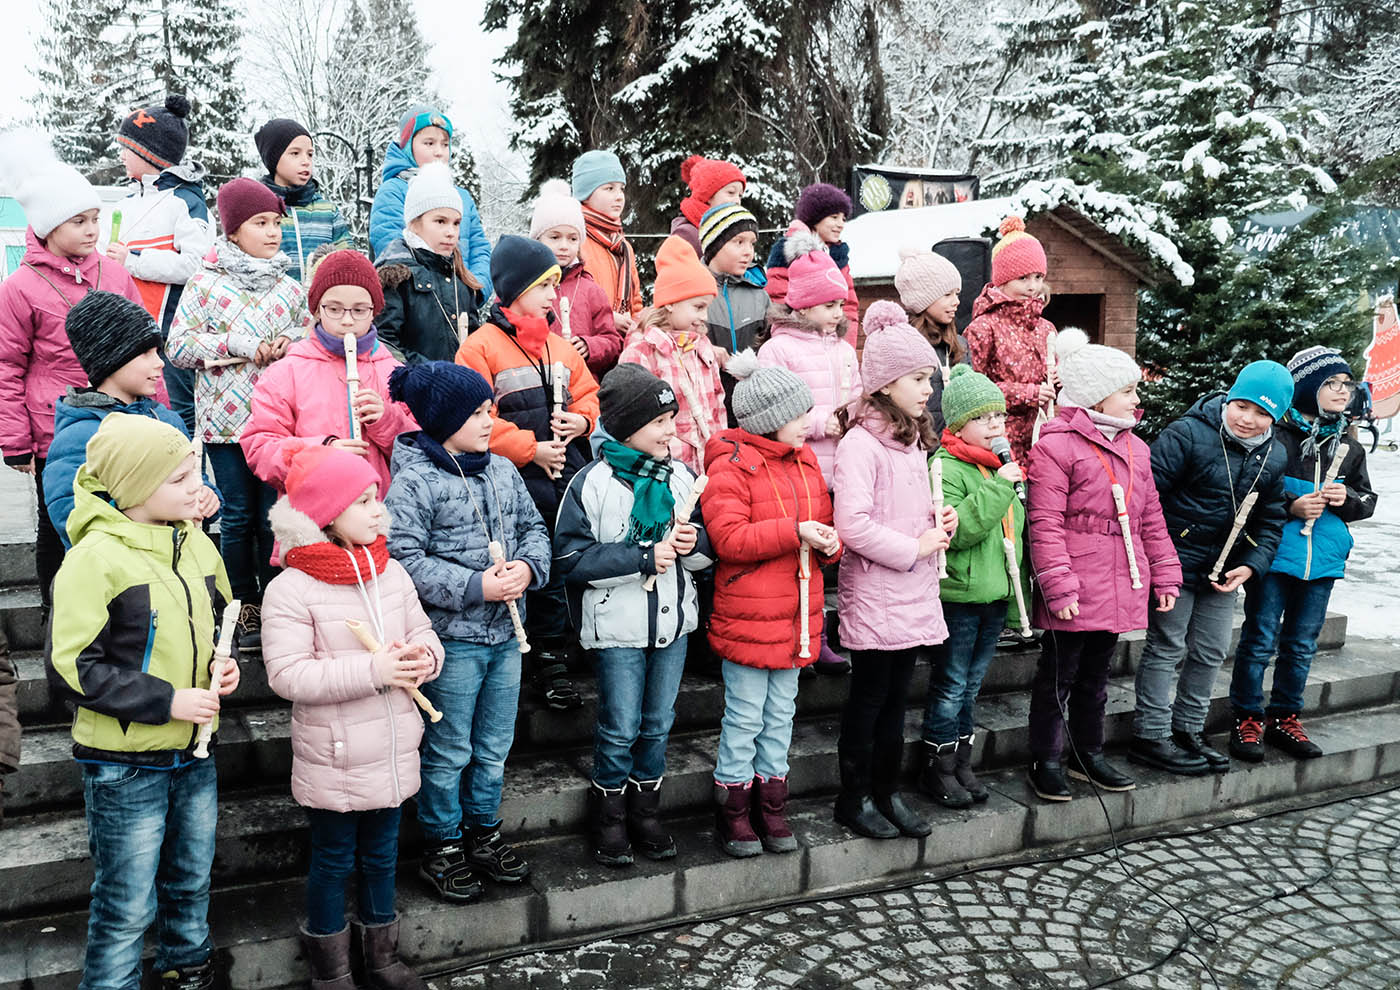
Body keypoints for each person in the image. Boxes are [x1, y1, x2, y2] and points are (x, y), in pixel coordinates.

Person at [47, 415, 238, 990]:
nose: (196, 488)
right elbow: (72, 667)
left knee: (191, 879)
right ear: (135, 488)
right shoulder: (94, 557)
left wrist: (223, 668)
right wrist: (167, 700)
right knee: (127, 901)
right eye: (180, 479)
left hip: (194, 753)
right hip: (125, 763)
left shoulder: (198, 545)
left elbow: (217, 620)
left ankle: (188, 966)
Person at [261, 442, 442, 990]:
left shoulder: (392, 573)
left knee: (384, 855)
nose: (378, 511)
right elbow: (288, 675)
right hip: (336, 758)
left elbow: (425, 635)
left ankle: (382, 958)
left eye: (376, 498)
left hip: (391, 751)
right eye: (363, 501)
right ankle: (330, 969)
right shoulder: (291, 589)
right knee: (334, 860)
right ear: (327, 514)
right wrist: (374, 671)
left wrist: (423, 659)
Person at [384, 361, 552, 902]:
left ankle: (483, 831)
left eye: (489, 409)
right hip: (453, 637)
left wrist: (528, 569)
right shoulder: (414, 479)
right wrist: (476, 586)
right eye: (477, 413)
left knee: (495, 743)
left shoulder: (502, 469)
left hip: (506, 637)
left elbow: (534, 529)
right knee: (449, 745)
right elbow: (403, 558)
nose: (489, 420)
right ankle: (442, 844)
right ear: (443, 418)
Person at [555, 364, 713, 867]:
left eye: (673, 418)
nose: (673, 430)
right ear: (628, 427)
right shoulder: (591, 483)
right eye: (661, 421)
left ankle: (647, 811)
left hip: (672, 626)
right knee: (620, 725)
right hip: (616, 629)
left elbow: (705, 556)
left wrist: (692, 546)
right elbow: (570, 560)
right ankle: (610, 817)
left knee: (658, 722)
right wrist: (641, 556)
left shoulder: (682, 476)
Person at [1025, 329, 1181, 802]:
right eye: (1128, 390)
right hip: (1076, 580)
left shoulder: (1138, 448)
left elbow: (1151, 516)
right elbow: (1045, 524)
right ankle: (1045, 758)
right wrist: (1058, 586)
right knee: (1060, 674)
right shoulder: (1058, 445)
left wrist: (1166, 571)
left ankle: (1086, 752)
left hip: (1119, 578)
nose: (1137, 399)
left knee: (1097, 676)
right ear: (1097, 395)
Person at [167, 178, 312, 650]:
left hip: (277, 425)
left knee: (274, 512)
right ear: (232, 231)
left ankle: (277, 598)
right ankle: (241, 603)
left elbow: (310, 338)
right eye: (260, 223)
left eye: (275, 222)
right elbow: (179, 346)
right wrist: (242, 347)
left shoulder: (291, 287)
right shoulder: (206, 284)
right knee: (237, 513)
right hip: (226, 423)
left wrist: (290, 344)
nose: (272, 232)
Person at [456, 235, 600, 710]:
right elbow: (473, 417)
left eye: (555, 285)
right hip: (513, 480)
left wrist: (582, 421)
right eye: (543, 285)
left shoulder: (560, 346)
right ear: (513, 289)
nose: (551, 296)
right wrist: (530, 449)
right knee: (530, 564)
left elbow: (589, 394)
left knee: (563, 561)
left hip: (566, 477)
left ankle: (555, 651)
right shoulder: (481, 347)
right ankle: (534, 652)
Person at [0, 132, 143, 607]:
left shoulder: (116, 275)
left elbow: (144, 347)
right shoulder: (20, 287)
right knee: (56, 524)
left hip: (120, 421)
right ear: (47, 225)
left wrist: (156, 414)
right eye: (78, 220)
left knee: (122, 513)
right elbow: (7, 366)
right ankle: (57, 611)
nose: (91, 230)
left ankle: (117, 609)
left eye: (95, 219)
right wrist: (16, 441)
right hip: (54, 428)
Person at [1131, 360, 1293, 775]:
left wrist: (1251, 565)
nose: (1248, 419)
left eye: (1262, 414)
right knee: (1166, 647)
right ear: (1229, 398)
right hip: (1175, 562)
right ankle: (1150, 734)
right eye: (1242, 406)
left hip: (1224, 570)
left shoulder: (1274, 454)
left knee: (1210, 651)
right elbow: (1148, 498)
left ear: (1276, 418)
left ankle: (1188, 729)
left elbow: (1270, 519)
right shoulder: (1187, 434)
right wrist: (1159, 559)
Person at [703, 366, 839, 857]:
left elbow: (821, 524)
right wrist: (794, 531)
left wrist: (828, 542)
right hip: (749, 617)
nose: (809, 421)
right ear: (770, 419)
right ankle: (733, 809)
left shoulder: (806, 464)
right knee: (743, 717)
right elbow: (729, 539)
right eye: (799, 414)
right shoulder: (732, 465)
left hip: (797, 616)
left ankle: (772, 805)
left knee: (781, 715)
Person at [832, 300, 955, 840]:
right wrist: (915, 544)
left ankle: (887, 793)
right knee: (870, 705)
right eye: (917, 378)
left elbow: (903, 510)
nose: (928, 387)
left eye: (928, 376)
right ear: (884, 384)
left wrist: (937, 517)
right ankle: (853, 798)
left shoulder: (909, 442)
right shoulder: (860, 444)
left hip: (911, 593)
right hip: (880, 594)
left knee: (897, 702)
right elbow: (853, 526)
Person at [1231, 348, 1378, 761]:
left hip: (1323, 562)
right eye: (1332, 383)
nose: (1342, 392)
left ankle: (1285, 718)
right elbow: (1252, 490)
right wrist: (1292, 504)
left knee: (1300, 645)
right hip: (1275, 556)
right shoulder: (1276, 436)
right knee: (1259, 641)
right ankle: (1246, 718)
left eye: (1347, 385)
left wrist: (1345, 497)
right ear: (1310, 386)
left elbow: (1367, 499)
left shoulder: (1348, 445)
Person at [752, 234, 859, 674]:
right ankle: (805, 635)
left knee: (835, 557)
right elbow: (770, 404)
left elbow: (856, 396)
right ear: (806, 305)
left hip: (845, 466)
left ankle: (824, 632)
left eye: (840, 305)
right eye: (831, 305)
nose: (840, 313)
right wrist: (819, 422)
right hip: (800, 466)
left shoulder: (845, 349)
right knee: (805, 557)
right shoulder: (778, 348)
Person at [922, 365, 1029, 808]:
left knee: (971, 686)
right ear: (958, 424)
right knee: (950, 685)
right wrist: (1001, 488)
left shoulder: (995, 469)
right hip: (959, 599)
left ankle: (963, 760)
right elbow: (959, 530)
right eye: (984, 420)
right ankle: (939, 766)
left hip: (993, 596)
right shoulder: (945, 466)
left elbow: (1013, 536)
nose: (995, 428)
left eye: (999, 419)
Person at [45, 291, 219, 547]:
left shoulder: (166, 419)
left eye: (157, 352)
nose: (160, 363)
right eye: (145, 353)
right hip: (122, 574)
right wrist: (156, 509)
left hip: (179, 565)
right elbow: (73, 515)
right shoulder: (81, 435)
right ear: (111, 360)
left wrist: (208, 497)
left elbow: (194, 479)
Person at [243, 249, 417, 499]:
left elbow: (420, 450)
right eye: (335, 309)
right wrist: (321, 452)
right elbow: (260, 448)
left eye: (359, 310)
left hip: (379, 516)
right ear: (317, 310)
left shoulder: (394, 373)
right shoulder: (285, 373)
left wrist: (388, 421)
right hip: (310, 518)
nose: (347, 321)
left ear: (374, 311)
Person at [108, 94, 213, 434]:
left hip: (171, 335)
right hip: (126, 332)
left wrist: (133, 261)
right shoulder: (124, 202)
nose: (121, 154)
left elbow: (196, 265)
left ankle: (187, 479)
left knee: (177, 415)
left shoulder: (186, 200)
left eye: (127, 146)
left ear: (149, 153)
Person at [617, 236, 726, 474]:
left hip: (709, 469)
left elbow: (717, 408)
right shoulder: (642, 353)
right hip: (666, 472)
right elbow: (633, 423)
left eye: (707, 308)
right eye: (698, 307)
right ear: (670, 303)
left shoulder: (703, 347)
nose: (705, 317)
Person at [368, 104, 492, 299]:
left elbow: (480, 248)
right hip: (419, 300)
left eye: (444, 144)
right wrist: (425, 291)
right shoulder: (393, 191)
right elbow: (390, 246)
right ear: (409, 146)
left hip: (462, 301)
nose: (439, 152)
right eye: (429, 143)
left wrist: (475, 289)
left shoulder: (461, 197)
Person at [965, 216, 1058, 466]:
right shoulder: (984, 327)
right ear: (1003, 280)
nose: (1033, 286)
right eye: (1023, 278)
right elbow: (974, 387)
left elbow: (1054, 384)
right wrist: (1028, 393)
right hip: (999, 440)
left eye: (1038, 277)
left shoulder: (1046, 328)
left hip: (1041, 438)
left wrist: (1057, 382)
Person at [375, 162, 485, 364]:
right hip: (412, 390)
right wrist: (432, 375)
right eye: (440, 221)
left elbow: (475, 341)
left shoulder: (460, 278)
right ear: (414, 223)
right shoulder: (395, 275)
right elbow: (385, 343)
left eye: (456, 223)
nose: (451, 232)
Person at [531, 179, 622, 379]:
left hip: (583, 386)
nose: (564, 246)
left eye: (572, 238)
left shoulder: (591, 289)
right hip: (535, 383)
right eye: (554, 237)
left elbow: (612, 341)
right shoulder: (524, 287)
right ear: (537, 239)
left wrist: (589, 346)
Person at [254, 118, 353, 284]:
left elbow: (349, 261)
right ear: (274, 158)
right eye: (295, 153)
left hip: (321, 306)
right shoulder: (258, 210)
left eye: (310, 154)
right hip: (274, 305)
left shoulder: (327, 211)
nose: (305, 161)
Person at [700, 203, 769, 415]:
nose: (748, 251)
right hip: (706, 405)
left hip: (752, 408)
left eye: (752, 243)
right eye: (738, 242)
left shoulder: (759, 295)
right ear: (714, 245)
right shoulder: (693, 292)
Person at [765, 183, 860, 330]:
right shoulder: (787, 252)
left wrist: (845, 343)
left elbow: (850, 307)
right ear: (814, 219)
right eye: (834, 217)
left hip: (836, 344)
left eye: (844, 218)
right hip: (796, 340)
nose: (841, 224)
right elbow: (779, 300)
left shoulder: (839, 256)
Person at [896, 248, 968, 439]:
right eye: (947, 295)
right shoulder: (903, 345)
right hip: (918, 448)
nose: (956, 302)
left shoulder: (959, 345)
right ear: (922, 299)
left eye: (957, 293)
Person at [572, 149, 644, 328]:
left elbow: (635, 302)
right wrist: (608, 318)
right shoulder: (574, 240)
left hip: (622, 345)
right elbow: (568, 297)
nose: (619, 196)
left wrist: (637, 326)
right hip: (586, 342)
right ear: (586, 194)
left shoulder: (623, 246)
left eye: (621, 188)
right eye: (609, 188)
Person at [670, 155, 745, 257]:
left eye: (740, 195)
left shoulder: (730, 229)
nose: (737, 200)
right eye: (731, 192)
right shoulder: (687, 235)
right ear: (708, 195)